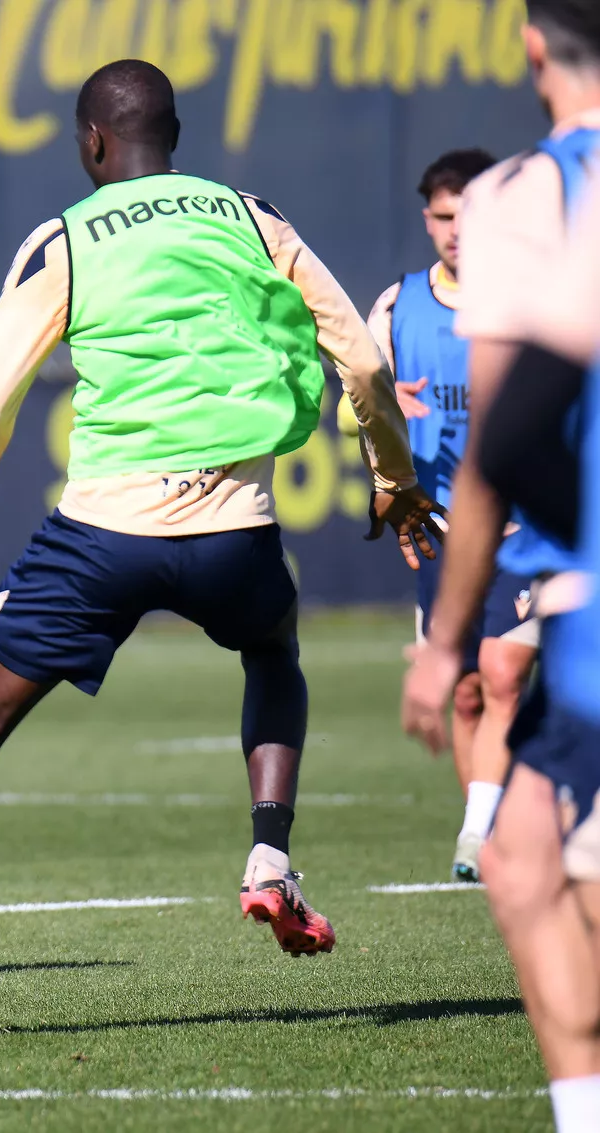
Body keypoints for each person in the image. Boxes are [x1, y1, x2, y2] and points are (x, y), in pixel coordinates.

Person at [0, 59, 440, 1044]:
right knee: (271, 649)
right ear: (177, 135)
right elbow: (364, 361)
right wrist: (388, 471)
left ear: (89, 142)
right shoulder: (252, 216)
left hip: (101, 537)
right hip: (232, 528)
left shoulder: (64, 238)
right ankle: (267, 856)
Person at [402, 4, 600, 1126]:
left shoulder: (525, 196)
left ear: (531, 49)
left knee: (532, 862)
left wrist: (441, 641)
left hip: (581, 598)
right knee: (521, 848)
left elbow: (499, 442)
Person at [359, 148, 538, 881]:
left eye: (470, 214)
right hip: (437, 530)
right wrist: (376, 413)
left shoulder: (535, 298)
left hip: (525, 524)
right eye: (443, 216)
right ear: (427, 219)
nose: (456, 230)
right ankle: (486, 834)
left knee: (502, 672)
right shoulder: (398, 306)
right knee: (465, 689)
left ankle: (475, 839)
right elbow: (354, 406)